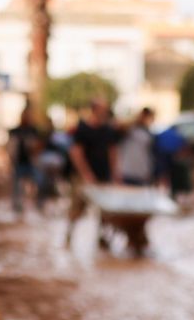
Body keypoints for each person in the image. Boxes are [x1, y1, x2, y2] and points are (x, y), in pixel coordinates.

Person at [66, 98, 121, 245]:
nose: (105, 112)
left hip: (103, 176)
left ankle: (102, 240)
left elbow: (113, 152)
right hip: (83, 177)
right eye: (102, 109)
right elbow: (76, 153)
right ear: (94, 109)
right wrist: (86, 174)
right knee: (77, 209)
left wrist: (116, 174)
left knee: (105, 213)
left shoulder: (108, 130)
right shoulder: (83, 129)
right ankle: (69, 238)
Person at [9, 107, 45, 214]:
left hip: (31, 163)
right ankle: (17, 206)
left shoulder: (33, 130)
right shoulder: (15, 131)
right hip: (19, 163)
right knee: (17, 186)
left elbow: (39, 146)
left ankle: (39, 204)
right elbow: (11, 147)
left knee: (40, 181)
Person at [117, 107, 156, 186]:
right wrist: (136, 119)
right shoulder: (130, 129)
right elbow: (119, 126)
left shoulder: (148, 133)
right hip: (127, 172)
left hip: (142, 173)